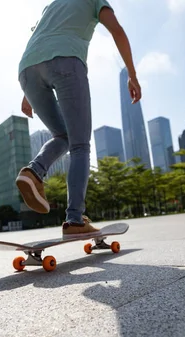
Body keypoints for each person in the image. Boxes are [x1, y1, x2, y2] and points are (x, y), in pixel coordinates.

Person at [15, 0, 141, 239]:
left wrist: (28, 92)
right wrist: (132, 75)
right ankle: (74, 219)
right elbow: (117, 31)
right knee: (80, 144)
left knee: (62, 135)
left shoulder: (51, 6)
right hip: (66, 61)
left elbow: (40, 42)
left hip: (27, 71)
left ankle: (33, 172)